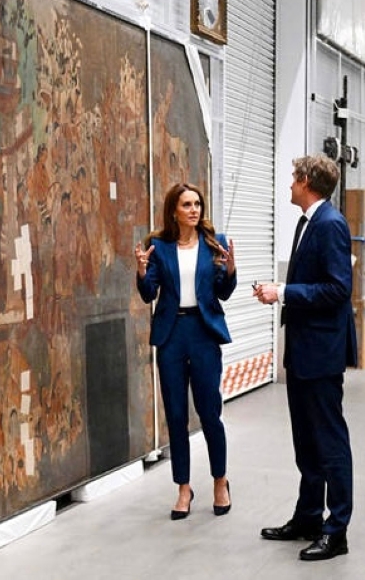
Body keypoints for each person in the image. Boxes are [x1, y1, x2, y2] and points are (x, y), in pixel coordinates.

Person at [253, 154, 356, 561]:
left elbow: (337, 289)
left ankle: (337, 530)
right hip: (302, 350)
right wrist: (283, 289)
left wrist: (285, 293)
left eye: (294, 178)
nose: (290, 185)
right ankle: (310, 516)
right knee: (306, 443)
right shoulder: (306, 222)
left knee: (330, 443)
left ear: (308, 181)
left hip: (321, 353)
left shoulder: (330, 224)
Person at [135, 183, 236, 520]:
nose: (194, 209)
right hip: (172, 334)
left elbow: (223, 293)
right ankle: (183, 488)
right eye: (187, 204)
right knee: (176, 415)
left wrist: (230, 269)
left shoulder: (213, 242)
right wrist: (140, 271)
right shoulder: (159, 247)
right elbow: (149, 293)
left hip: (204, 333)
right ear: (174, 211)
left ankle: (220, 481)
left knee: (209, 412)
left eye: (198, 204)